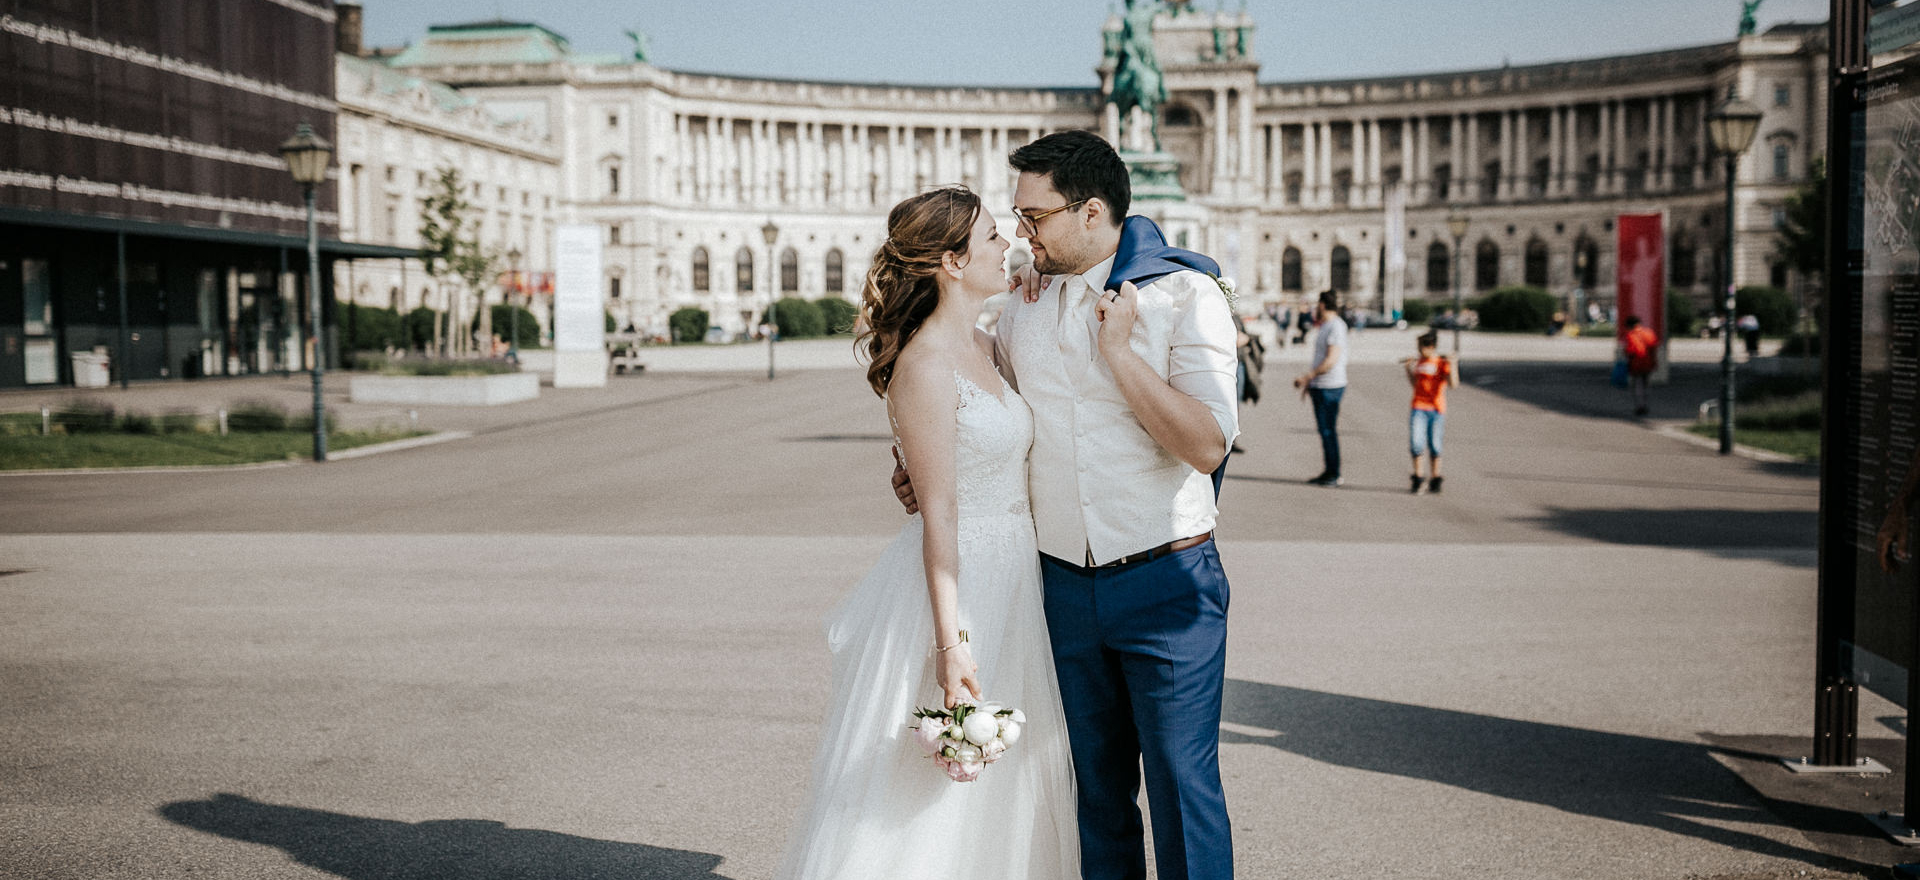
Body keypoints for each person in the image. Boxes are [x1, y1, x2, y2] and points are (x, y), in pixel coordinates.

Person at [893, 130, 1239, 880]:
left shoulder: (1186, 295)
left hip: (1166, 578)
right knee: (1092, 795)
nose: (1023, 233)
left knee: (1183, 788)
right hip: (1060, 588)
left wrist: (1119, 354)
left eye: (1035, 216)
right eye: (1017, 218)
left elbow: (1208, 446)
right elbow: (993, 425)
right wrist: (922, 467)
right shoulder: (1022, 309)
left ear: (1090, 212)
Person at [777, 186, 1078, 879]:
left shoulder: (987, 344)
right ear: (951, 261)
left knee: (1006, 783)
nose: (1010, 244)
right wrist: (952, 644)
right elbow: (939, 513)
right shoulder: (923, 365)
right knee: (933, 790)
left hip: (1017, 572)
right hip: (963, 584)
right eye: (993, 236)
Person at [1294, 290, 1349, 487]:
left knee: (1328, 431)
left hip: (1330, 386)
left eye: (1318, 303)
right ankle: (1329, 471)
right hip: (1321, 385)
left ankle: (1334, 473)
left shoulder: (1336, 326)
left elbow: (1331, 360)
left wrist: (1307, 377)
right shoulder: (1327, 325)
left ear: (1323, 305)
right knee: (1325, 431)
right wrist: (1312, 382)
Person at [1401, 330, 1458, 494]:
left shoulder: (1440, 362)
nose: (1419, 350)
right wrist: (1408, 369)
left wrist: (1453, 364)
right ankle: (1418, 478)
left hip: (1436, 409)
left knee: (1435, 445)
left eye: (1421, 347)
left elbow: (1453, 384)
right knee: (1416, 443)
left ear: (1431, 346)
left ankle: (1435, 478)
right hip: (1418, 407)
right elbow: (1415, 385)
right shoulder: (1420, 362)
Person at [1233, 316, 1264, 454]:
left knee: (1236, 403)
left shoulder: (1235, 317)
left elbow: (1243, 336)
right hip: (1228, 364)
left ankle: (1232, 438)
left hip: (1239, 363)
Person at [1622, 315, 1659, 417]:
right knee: (1646, 384)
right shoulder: (1649, 333)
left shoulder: (1631, 335)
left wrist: (1626, 354)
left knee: (1637, 385)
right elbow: (1653, 347)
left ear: (1631, 326)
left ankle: (1640, 406)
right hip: (1648, 362)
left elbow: (1630, 350)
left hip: (1636, 363)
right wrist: (1654, 361)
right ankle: (1646, 404)